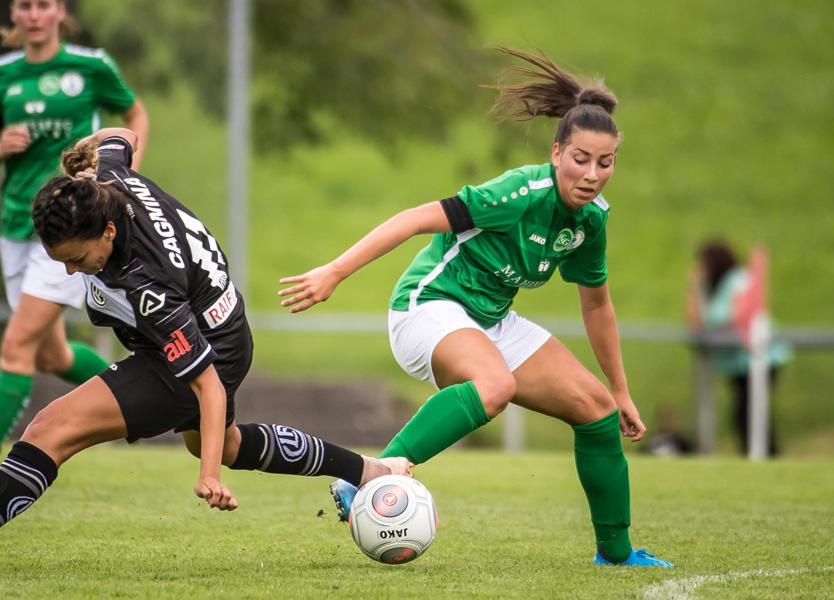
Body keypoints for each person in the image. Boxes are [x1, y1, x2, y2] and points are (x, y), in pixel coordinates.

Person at [0, 128, 411, 577]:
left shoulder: (148, 284)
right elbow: (123, 137)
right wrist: (83, 153)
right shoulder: (106, 182)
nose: (72, 271)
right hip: (226, 325)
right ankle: (368, 470)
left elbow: (205, 382)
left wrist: (209, 476)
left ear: (109, 232)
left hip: (204, 349)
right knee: (226, 442)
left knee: (52, 428)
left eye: (78, 258)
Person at [278, 47, 673, 568]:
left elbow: (597, 305)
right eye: (581, 159)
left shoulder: (591, 221)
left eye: (606, 162)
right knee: (495, 387)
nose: (593, 174)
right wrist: (334, 272)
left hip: (489, 320)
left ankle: (617, 556)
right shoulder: (518, 193)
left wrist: (620, 390)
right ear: (557, 153)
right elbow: (414, 218)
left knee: (597, 412)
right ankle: (364, 479)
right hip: (428, 306)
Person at [0, 0, 150, 487]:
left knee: (16, 346)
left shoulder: (90, 67)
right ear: (15, 13)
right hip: (16, 224)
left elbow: (135, 113)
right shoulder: (0, 74)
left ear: (59, 12)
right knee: (52, 355)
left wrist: (128, 175)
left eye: (43, 5)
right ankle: (145, 393)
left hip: (70, 227)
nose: (33, 14)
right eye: (24, 6)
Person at [686, 240, 789, 455]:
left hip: (759, 358)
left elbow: (738, 317)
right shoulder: (708, 288)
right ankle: (757, 454)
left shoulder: (738, 280)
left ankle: (765, 455)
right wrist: (694, 288)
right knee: (744, 413)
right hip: (736, 362)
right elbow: (695, 323)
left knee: (749, 413)